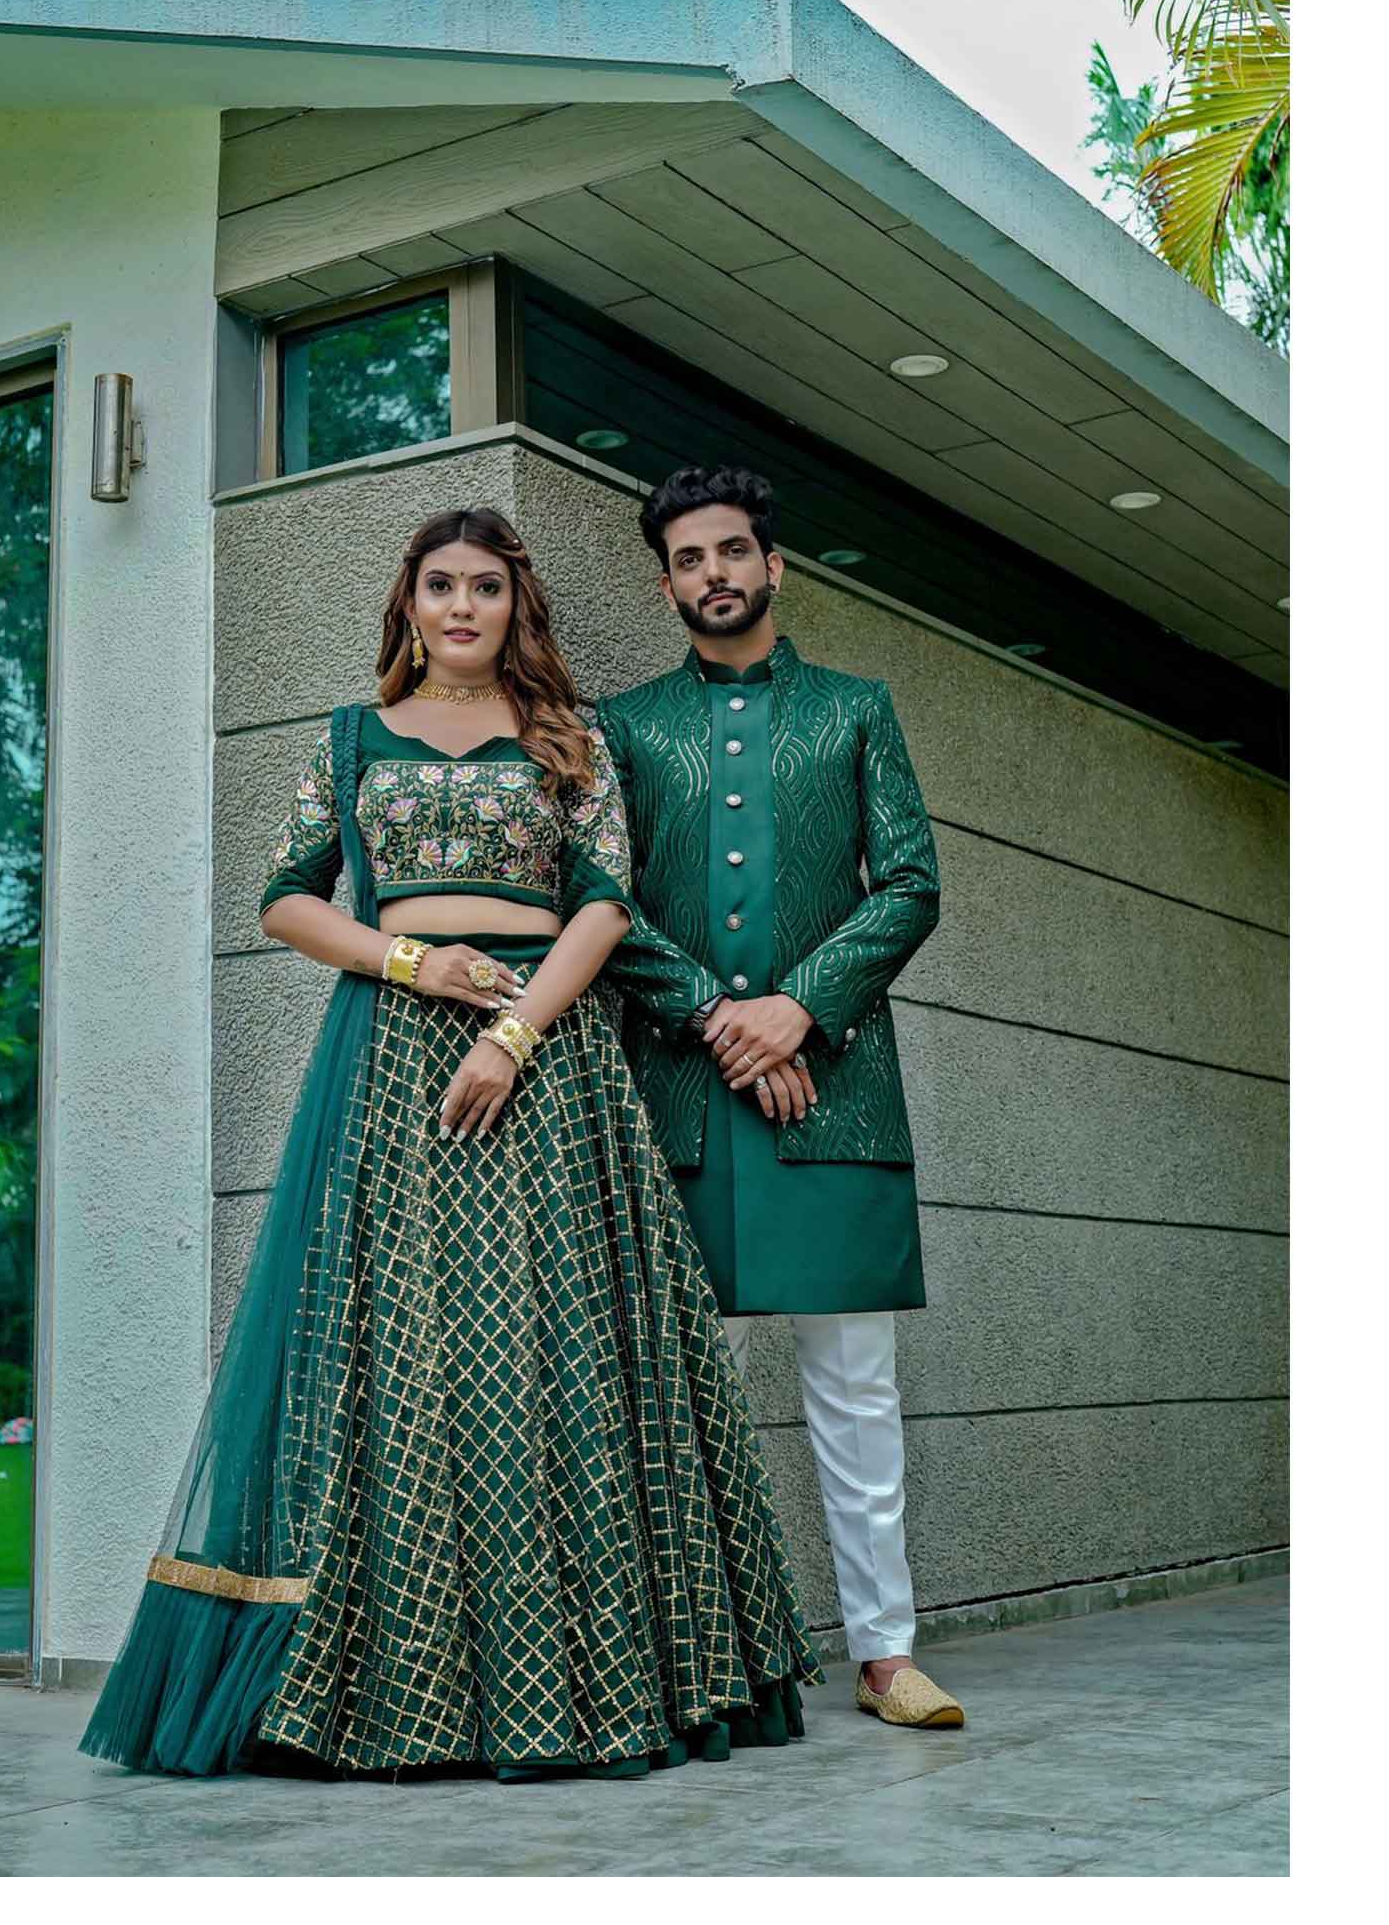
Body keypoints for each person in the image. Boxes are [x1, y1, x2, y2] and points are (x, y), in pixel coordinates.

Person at [78, 505, 821, 1782]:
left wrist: (513, 1033)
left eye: (485, 585)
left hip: (550, 1060)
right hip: (391, 1057)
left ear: (514, 604)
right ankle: (400, 1691)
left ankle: (590, 1678)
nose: (463, 606)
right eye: (440, 585)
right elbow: (285, 901)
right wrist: (412, 961)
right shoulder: (351, 737)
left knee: (559, 1342)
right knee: (404, 1347)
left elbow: (604, 907)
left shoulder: (568, 738)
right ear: (409, 605)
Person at [590, 466, 964, 1730]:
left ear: (774, 565)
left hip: (836, 1097)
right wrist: (720, 1016)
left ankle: (885, 1652)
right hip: (679, 1101)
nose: (714, 573)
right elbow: (601, 901)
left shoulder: (856, 709)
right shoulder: (626, 728)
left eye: (732, 550)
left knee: (855, 1385)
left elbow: (908, 882)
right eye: (689, 558)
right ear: (666, 584)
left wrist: (798, 1008)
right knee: (673, 1389)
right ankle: (686, 1657)